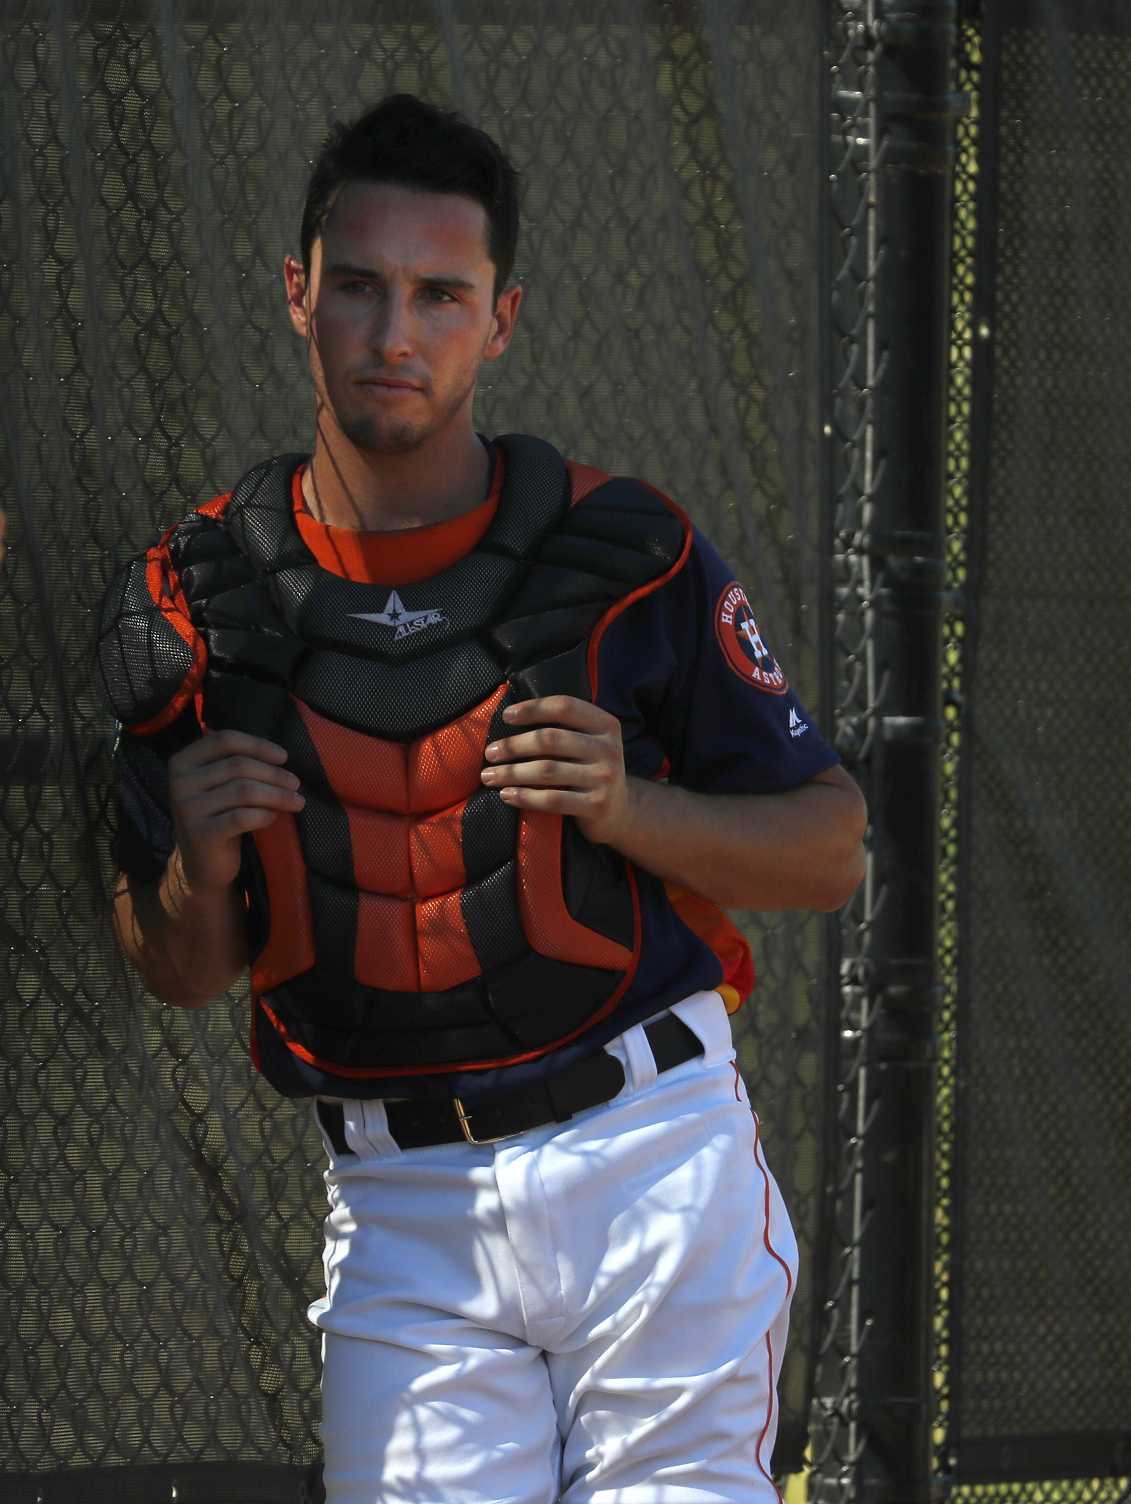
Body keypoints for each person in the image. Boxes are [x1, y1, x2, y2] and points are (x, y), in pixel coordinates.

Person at [95, 93, 864, 1504]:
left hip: (650, 1166)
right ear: (297, 294)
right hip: (403, 1212)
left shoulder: (623, 553)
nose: (397, 334)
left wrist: (631, 808)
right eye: (362, 290)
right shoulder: (195, 603)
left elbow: (830, 849)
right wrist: (200, 867)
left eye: (441, 296)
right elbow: (180, 971)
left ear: (500, 320)